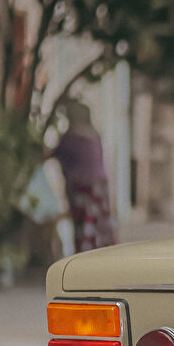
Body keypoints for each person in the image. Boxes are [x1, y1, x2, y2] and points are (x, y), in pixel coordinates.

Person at [53, 99, 117, 252]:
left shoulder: (70, 138)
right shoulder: (94, 135)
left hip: (82, 189)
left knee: (84, 229)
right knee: (99, 228)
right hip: (99, 188)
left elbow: (51, 155)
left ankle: (84, 260)